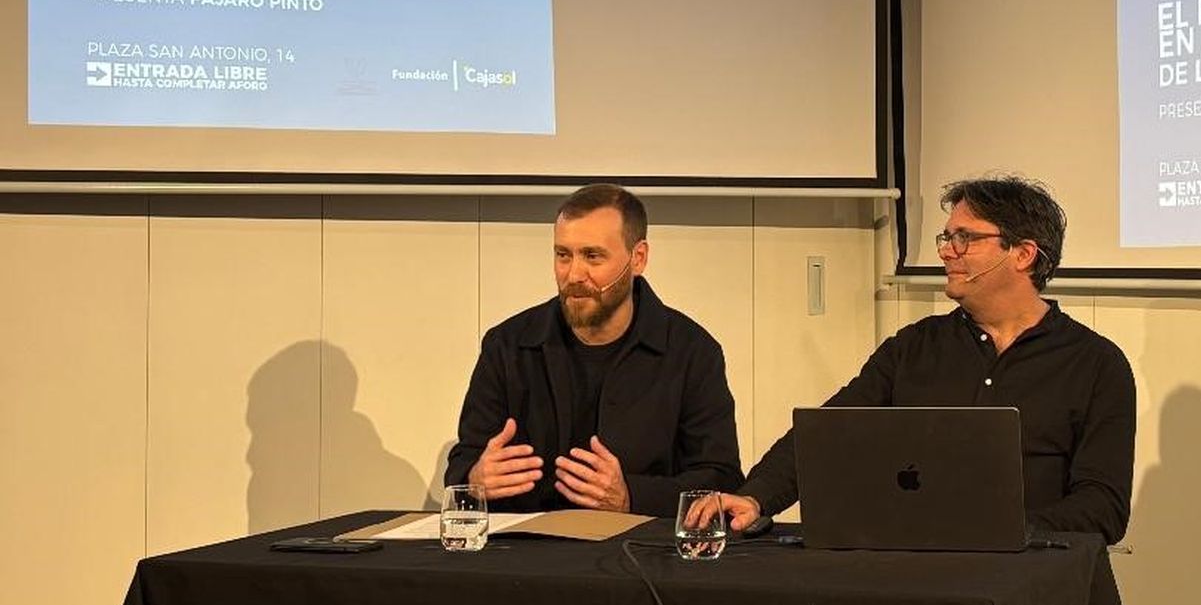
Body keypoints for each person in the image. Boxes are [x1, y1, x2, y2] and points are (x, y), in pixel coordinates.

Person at [701, 175, 1135, 542]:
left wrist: (1001, 534)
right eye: (947, 237)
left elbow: (1103, 507)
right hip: (917, 580)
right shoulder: (913, 348)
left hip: (1034, 585)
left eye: (966, 238)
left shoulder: (1096, 365)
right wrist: (755, 496)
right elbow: (829, 434)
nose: (947, 251)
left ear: (1023, 254)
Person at [444, 184, 743, 516]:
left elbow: (722, 480)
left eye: (592, 256)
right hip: (527, 553)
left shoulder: (692, 351)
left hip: (643, 555)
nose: (573, 274)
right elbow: (463, 463)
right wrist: (476, 478)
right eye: (563, 255)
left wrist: (631, 496)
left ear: (638, 258)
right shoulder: (508, 345)